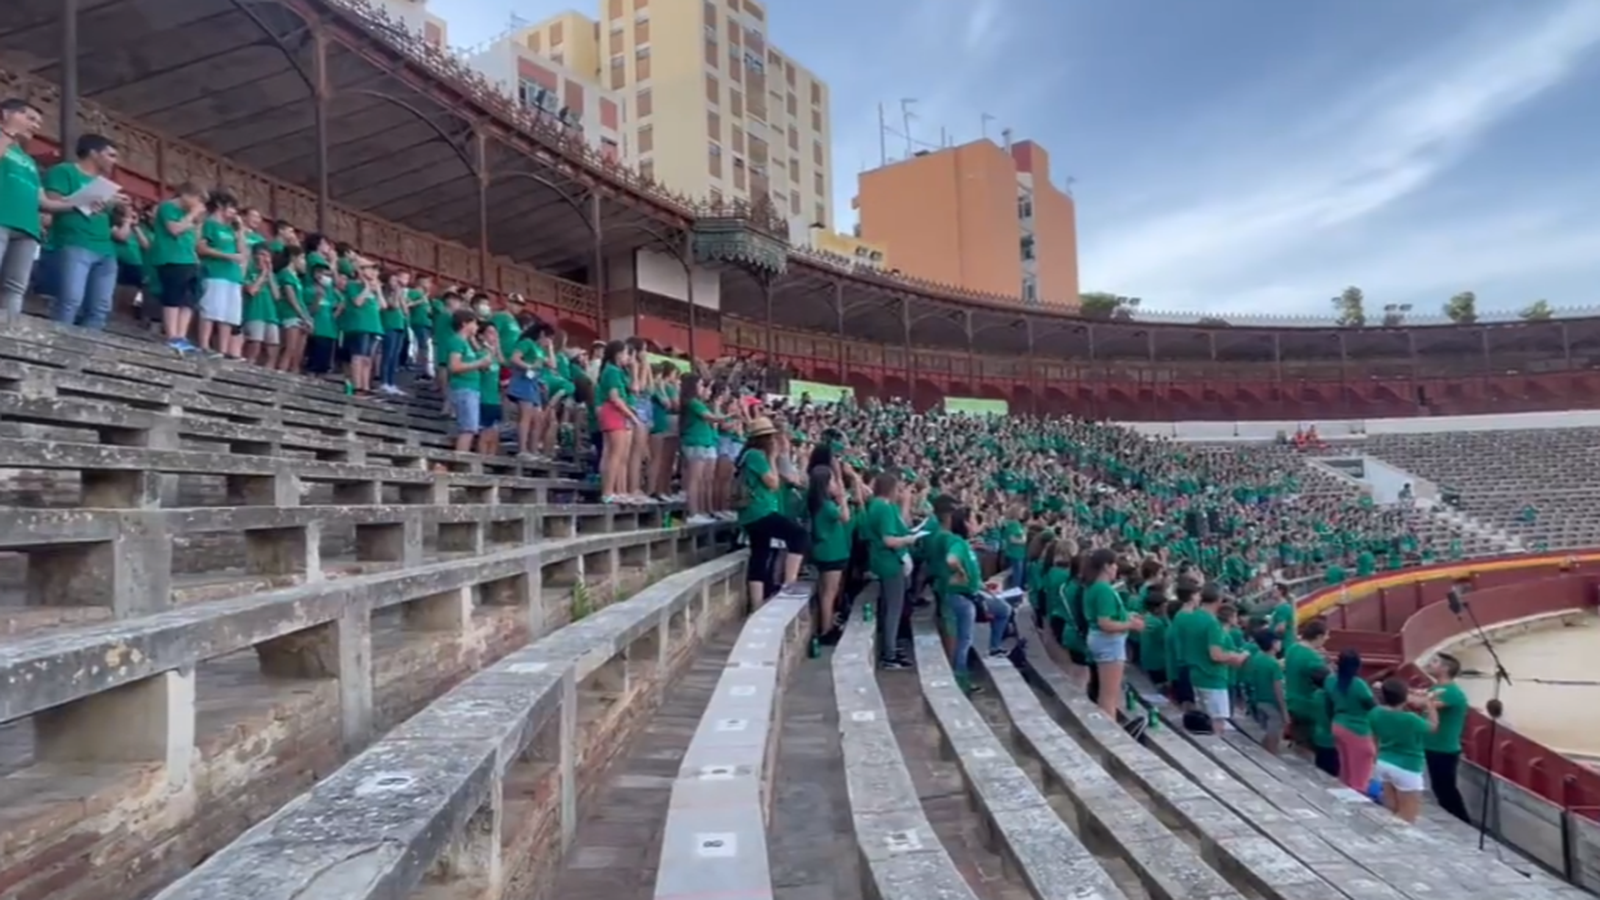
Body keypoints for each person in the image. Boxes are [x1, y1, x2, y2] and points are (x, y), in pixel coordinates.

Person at [44, 133, 126, 330]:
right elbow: (51, 202)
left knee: (101, 307)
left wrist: (117, 205)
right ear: (93, 153)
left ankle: (88, 353)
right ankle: (57, 346)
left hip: (105, 248)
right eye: (110, 155)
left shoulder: (105, 184)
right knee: (70, 300)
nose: (114, 161)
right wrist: (87, 199)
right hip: (74, 242)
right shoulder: (64, 171)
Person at [734, 416, 808, 609]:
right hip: (760, 511)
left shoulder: (748, 455)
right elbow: (773, 483)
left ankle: (756, 604)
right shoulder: (756, 456)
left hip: (752, 513)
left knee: (760, 554)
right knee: (799, 535)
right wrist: (773, 458)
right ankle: (789, 584)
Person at [942, 505, 1014, 695]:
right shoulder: (958, 543)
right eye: (974, 519)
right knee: (965, 639)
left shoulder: (966, 544)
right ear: (966, 523)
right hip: (961, 598)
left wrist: (985, 588)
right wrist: (961, 572)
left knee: (1003, 610)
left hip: (974, 592)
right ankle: (961, 678)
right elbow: (951, 560)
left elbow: (973, 575)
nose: (977, 523)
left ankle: (995, 647)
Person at [860, 470, 920, 670]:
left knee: (891, 606)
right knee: (893, 608)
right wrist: (909, 540)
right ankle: (889, 654)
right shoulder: (882, 508)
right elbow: (889, 539)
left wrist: (906, 503)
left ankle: (891, 646)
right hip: (889, 562)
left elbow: (902, 525)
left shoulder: (884, 506)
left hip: (888, 561)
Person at [1084, 547, 1142, 719]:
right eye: (1114, 564)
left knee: (1108, 693)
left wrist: (1126, 616)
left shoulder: (1095, 587)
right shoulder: (1104, 590)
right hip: (1108, 643)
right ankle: (1110, 732)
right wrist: (1130, 624)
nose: (1116, 568)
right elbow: (1105, 623)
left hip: (1102, 640)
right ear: (1106, 566)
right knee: (1109, 695)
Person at [1370, 677, 1439, 823]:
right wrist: (1429, 705)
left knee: (1391, 810)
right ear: (1404, 698)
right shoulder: (1410, 719)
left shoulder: (1375, 713)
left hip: (1384, 762)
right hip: (1407, 767)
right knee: (1408, 816)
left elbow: (1374, 738)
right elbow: (1432, 727)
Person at [1180, 584, 1250, 727]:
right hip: (1212, 678)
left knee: (1203, 722)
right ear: (1219, 600)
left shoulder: (1191, 617)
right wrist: (1237, 656)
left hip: (1195, 675)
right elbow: (1216, 655)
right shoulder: (1213, 624)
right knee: (1217, 724)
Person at [1422, 653, 1473, 823]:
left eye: (1435, 662)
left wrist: (1397, 693)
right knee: (1440, 788)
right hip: (1432, 746)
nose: (1430, 663)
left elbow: (1424, 704)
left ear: (1445, 669)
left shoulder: (1451, 693)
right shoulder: (1435, 689)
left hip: (1444, 749)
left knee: (1446, 790)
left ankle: (1463, 821)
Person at [807, 462, 853, 645]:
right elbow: (845, 517)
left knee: (826, 591)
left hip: (826, 550)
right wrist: (842, 498)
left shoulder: (817, 503)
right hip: (831, 552)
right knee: (829, 592)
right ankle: (826, 629)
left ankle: (827, 624)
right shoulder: (826, 506)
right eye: (833, 481)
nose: (835, 485)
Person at [1326, 648, 1377, 791]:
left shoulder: (1330, 681)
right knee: (1360, 776)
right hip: (1358, 729)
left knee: (1345, 771)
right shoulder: (1358, 684)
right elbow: (1372, 706)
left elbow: (1328, 704)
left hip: (1338, 725)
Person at [1284, 619, 1331, 747]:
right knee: (1308, 744)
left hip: (1291, 700)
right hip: (1307, 705)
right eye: (1326, 636)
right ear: (1319, 636)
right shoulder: (1312, 658)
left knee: (1298, 739)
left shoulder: (1293, 648)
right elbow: (1328, 681)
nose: (1327, 638)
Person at [1243, 629, 1288, 754]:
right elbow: (1278, 690)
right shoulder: (1273, 664)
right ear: (1273, 643)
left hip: (1259, 700)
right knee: (1274, 738)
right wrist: (1284, 712)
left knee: (1267, 735)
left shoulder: (1257, 657)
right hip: (1272, 704)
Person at [1308, 669, 1340, 777]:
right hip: (1331, 740)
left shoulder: (1315, 695)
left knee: (1320, 769)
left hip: (1318, 736)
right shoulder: (1330, 698)